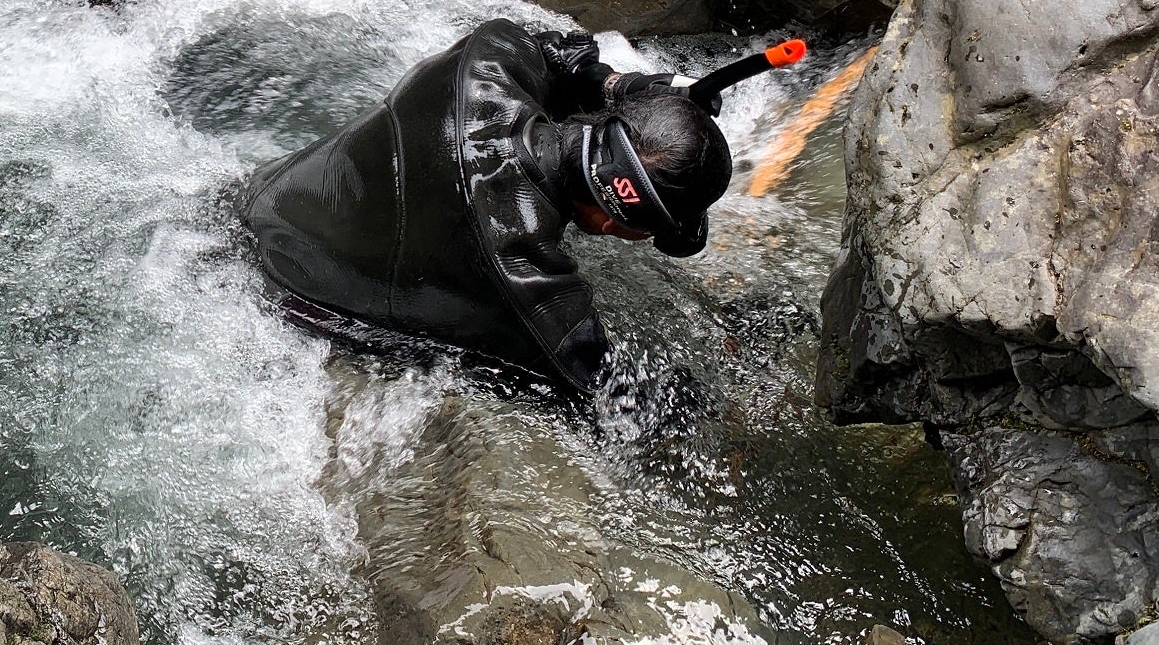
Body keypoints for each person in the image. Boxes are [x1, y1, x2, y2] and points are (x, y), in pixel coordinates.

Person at [239, 22, 806, 390]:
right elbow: (604, 388)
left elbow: (558, 51)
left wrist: (618, 87)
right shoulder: (515, 265)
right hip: (277, 286)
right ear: (610, 221)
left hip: (256, 192)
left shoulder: (489, 61)